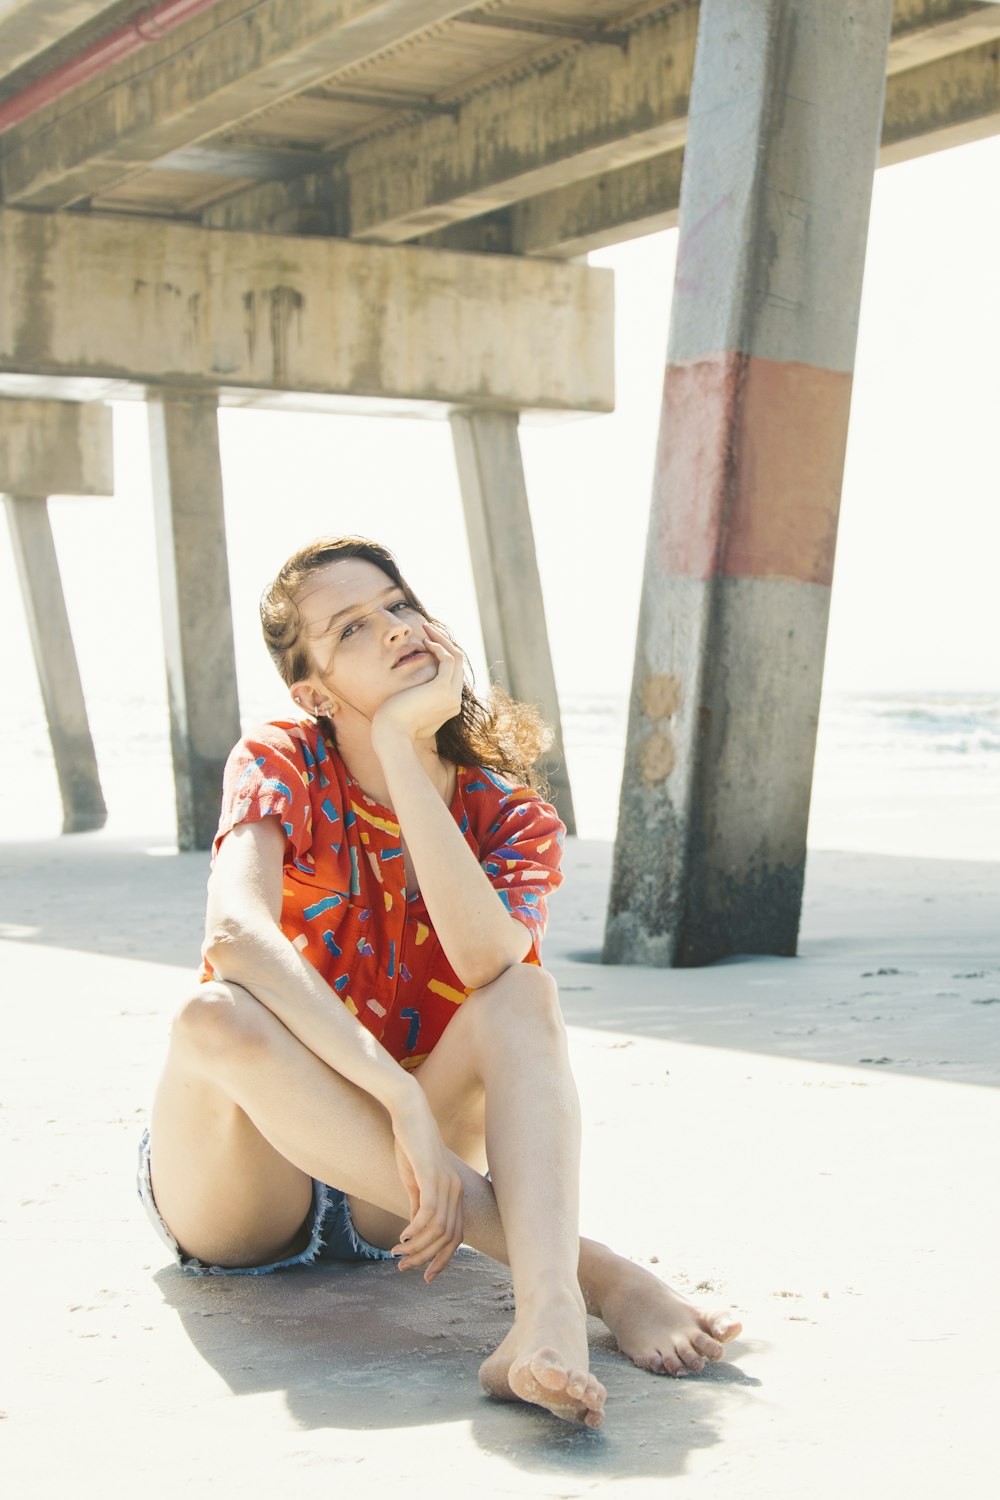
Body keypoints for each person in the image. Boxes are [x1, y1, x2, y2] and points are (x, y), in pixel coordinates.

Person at [137, 535, 741, 1429]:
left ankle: (545, 1319)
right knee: (211, 1017)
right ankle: (599, 1273)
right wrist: (398, 1100)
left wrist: (398, 745)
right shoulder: (281, 759)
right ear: (311, 693)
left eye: (397, 605)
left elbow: (488, 968)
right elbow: (234, 933)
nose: (391, 631)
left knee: (525, 993)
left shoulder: (512, 820)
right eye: (350, 630)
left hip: (408, 1209)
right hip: (248, 1187)